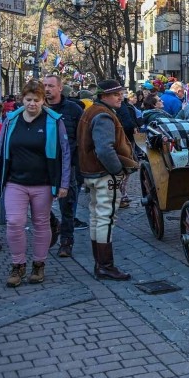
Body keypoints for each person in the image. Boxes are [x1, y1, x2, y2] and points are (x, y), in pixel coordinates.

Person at [0, 80, 70, 287]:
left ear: (43, 100)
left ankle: (39, 264)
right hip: (15, 181)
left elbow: (65, 153)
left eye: (36, 100)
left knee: (41, 223)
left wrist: (63, 183)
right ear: (22, 99)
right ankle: (18, 264)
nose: (32, 104)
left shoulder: (54, 120)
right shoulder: (11, 120)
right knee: (14, 222)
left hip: (43, 183)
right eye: (28, 99)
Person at [76, 80, 138, 281]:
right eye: (115, 94)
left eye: (121, 93)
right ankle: (105, 266)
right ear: (103, 96)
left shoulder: (92, 111)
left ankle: (101, 264)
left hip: (94, 173)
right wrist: (117, 170)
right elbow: (104, 149)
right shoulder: (103, 115)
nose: (120, 97)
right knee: (105, 218)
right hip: (104, 174)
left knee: (97, 217)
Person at [43, 74, 85, 258]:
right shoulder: (38, 109)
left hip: (67, 166)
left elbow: (83, 136)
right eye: (44, 85)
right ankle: (53, 223)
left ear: (60, 88)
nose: (47, 89)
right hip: (42, 165)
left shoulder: (73, 109)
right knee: (39, 204)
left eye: (51, 85)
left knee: (67, 206)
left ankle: (66, 241)